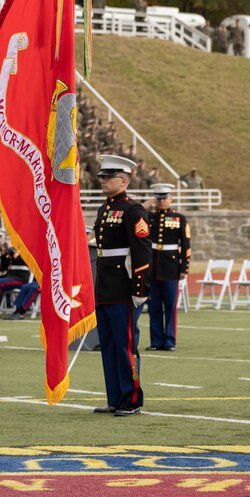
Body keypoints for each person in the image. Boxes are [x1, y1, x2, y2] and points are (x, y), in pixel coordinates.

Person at [92, 154, 151, 416]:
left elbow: (141, 253)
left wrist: (139, 290)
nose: (103, 180)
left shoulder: (133, 210)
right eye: (102, 176)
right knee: (109, 345)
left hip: (124, 288)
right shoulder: (104, 209)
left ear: (124, 180)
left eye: (109, 177)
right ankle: (115, 397)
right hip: (105, 287)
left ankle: (132, 398)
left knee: (125, 345)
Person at [145, 184, 190, 351]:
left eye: (165, 198)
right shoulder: (148, 217)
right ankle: (156, 341)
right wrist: (148, 203)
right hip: (153, 267)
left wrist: (184, 268)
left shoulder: (179, 218)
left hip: (171, 268)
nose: (162, 201)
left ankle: (170, 341)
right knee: (154, 307)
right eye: (159, 198)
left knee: (170, 307)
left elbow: (186, 245)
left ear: (171, 199)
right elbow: (135, 214)